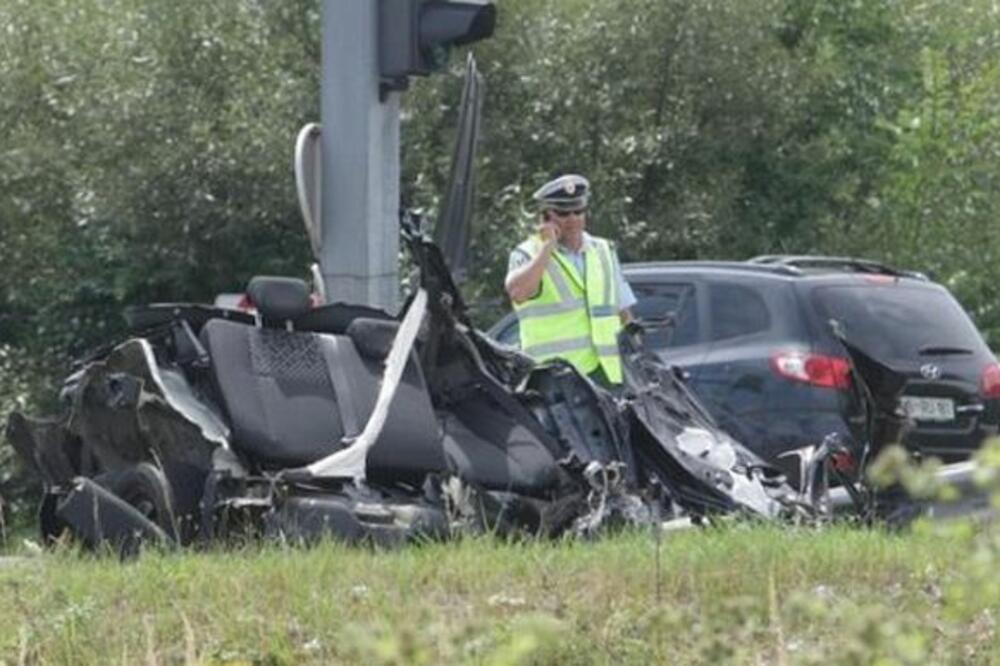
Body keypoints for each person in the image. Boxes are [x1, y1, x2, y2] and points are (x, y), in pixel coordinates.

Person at [505, 174, 636, 386]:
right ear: (546, 216)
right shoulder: (528, 254)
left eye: (579, 211)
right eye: (564, 213)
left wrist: (637, 354)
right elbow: (518, 293)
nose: (573, 219)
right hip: (555, 380)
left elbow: (623, 310)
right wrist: (547, 247)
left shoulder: (603, 250)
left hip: (607, 374)